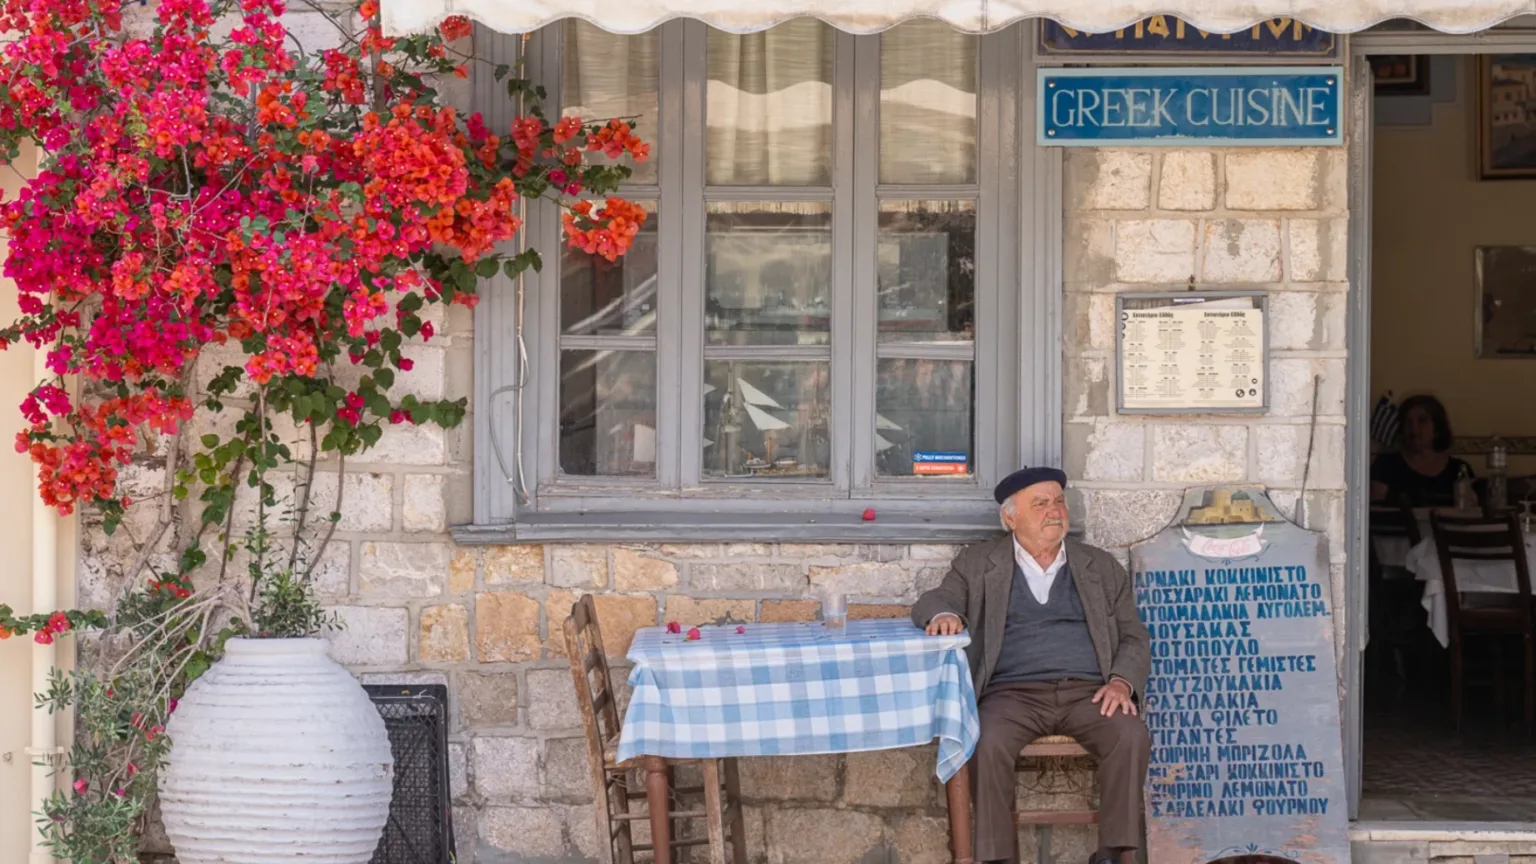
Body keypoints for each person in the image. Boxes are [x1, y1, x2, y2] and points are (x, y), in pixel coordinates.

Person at [913, 467, 1150, 864]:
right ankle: (999, 857)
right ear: (1010, 517)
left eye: (1059, 501)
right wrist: (943, 614)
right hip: (1010, 695)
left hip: (1088, 692)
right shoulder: (978, 563)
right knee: (983, 740)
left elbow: (1134, 635)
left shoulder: (1099, 566)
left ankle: (1113, 853)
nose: (1054, 511)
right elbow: (932, 600)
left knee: (1130, 735)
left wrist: (1122, 683)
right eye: (1040, 503)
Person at [1370, 394, 1472, 507]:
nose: (1414, 428)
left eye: (1422, 421)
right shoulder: (1385, 465)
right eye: (1408, 422)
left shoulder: (1460, 470)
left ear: (1437, 428)